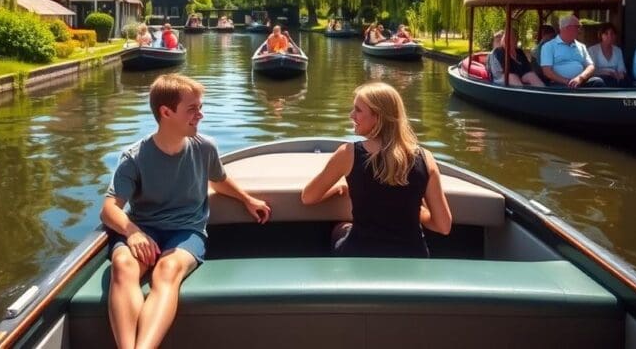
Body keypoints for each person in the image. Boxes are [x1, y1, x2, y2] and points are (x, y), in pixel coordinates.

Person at [101, 74, 271, 349]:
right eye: (192, 109)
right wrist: (133, 233)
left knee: (167, 269)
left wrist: (246, 199)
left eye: (200, 107)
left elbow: (218, 179)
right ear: (165, 112)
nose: (200, 115)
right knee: (124, 265)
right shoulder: (134, 157)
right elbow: (109, 209)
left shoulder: (204, 148)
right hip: (144, 229)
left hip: (186, 231)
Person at [301, 82, 452, 257]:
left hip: (360, 257)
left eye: (358, 110)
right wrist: (417, 211)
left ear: (378, 117)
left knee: (339, 230)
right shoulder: (426, 159)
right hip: (412, 259)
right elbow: (443, 226)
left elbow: (308, 197)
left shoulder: (348, 154)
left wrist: (337, 188)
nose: (351, 115)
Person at [540, 14, 604, 88]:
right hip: (560, 84)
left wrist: (580, 78)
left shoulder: (581, 46)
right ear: (567, 28)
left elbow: (591, 66)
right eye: (577, 27)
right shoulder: (549, 46)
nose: (579, 30)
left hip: (581, 82)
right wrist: (567, 81)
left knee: (598, 82)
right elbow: (547, 71)